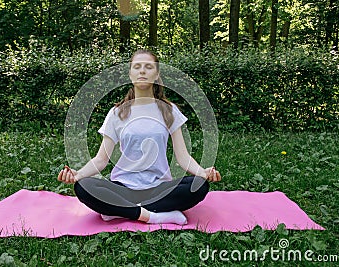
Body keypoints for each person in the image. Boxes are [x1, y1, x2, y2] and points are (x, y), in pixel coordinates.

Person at [58, 49, 221, 225]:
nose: (142, 71)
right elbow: (101, 159)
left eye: (148, 67)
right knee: (83, 186)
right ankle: (153, 216)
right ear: (130, 74)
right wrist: (78, 175)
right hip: (124, 187)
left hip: (158, 188)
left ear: (156, 73)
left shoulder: (169, 111)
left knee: (199, 185)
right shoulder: (117, 113)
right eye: (137, 67)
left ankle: (119, 210)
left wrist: (202, 172)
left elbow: (182, 157)